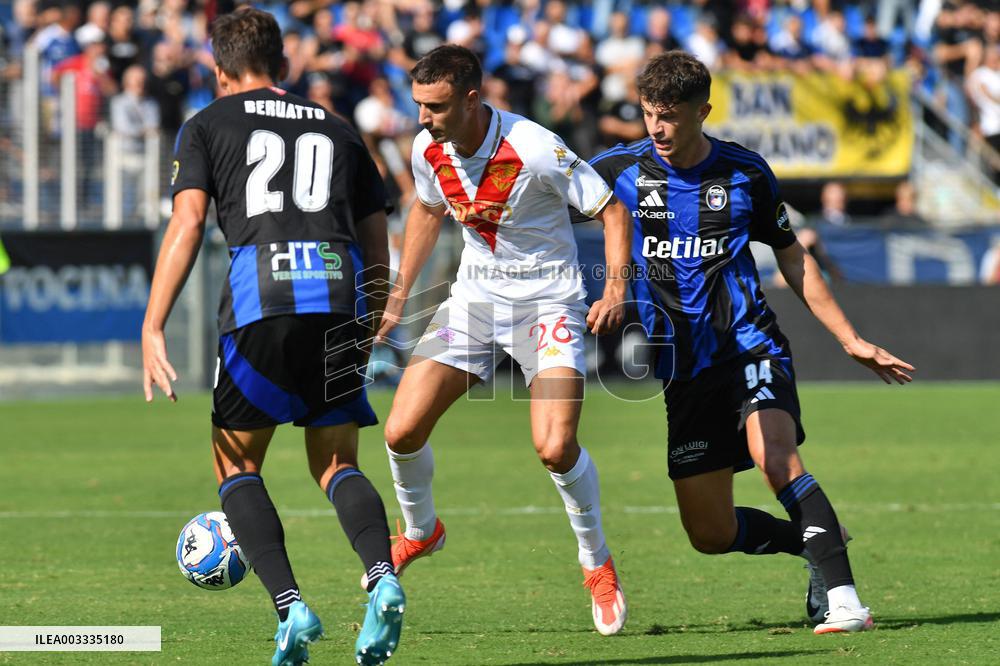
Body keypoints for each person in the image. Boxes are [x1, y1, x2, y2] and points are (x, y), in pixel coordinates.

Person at [580, 51, 914, 634]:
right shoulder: (615, 170)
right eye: (649, 114)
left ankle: (845, 599)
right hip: (683, 367)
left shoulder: (745, 173)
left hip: (749, 343)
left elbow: (791, 255)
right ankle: (815, 543)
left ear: (702, 111)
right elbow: (543, 201)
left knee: (776, 458)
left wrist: (849, 337)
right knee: (709, 534)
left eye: (671, 117)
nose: (658, 129)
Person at [140, 9, 404, 665]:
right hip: (340, 298)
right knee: (338, 462)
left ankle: (291, 609)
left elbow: (189, 222)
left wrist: (152, 322)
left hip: (264, 298)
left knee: (236, 464)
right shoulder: (340, 130)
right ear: (283, 66)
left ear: (219, 70)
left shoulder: (206, 125)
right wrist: (367, 323)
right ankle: (382, 575)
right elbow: (376, 240)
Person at [374, 45, 633, 636]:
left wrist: (615, 290)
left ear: (472, 99)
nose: (422, 119)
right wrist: (398, 293)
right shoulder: (427, 146)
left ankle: (596, 562)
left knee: (554, 447)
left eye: (435, 107)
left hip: (549, 305)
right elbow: (425, 209)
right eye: (417, 105)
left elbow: (611, 211)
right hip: (474, 303)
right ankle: (420, 531)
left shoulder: (537, 148)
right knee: (401, 430)